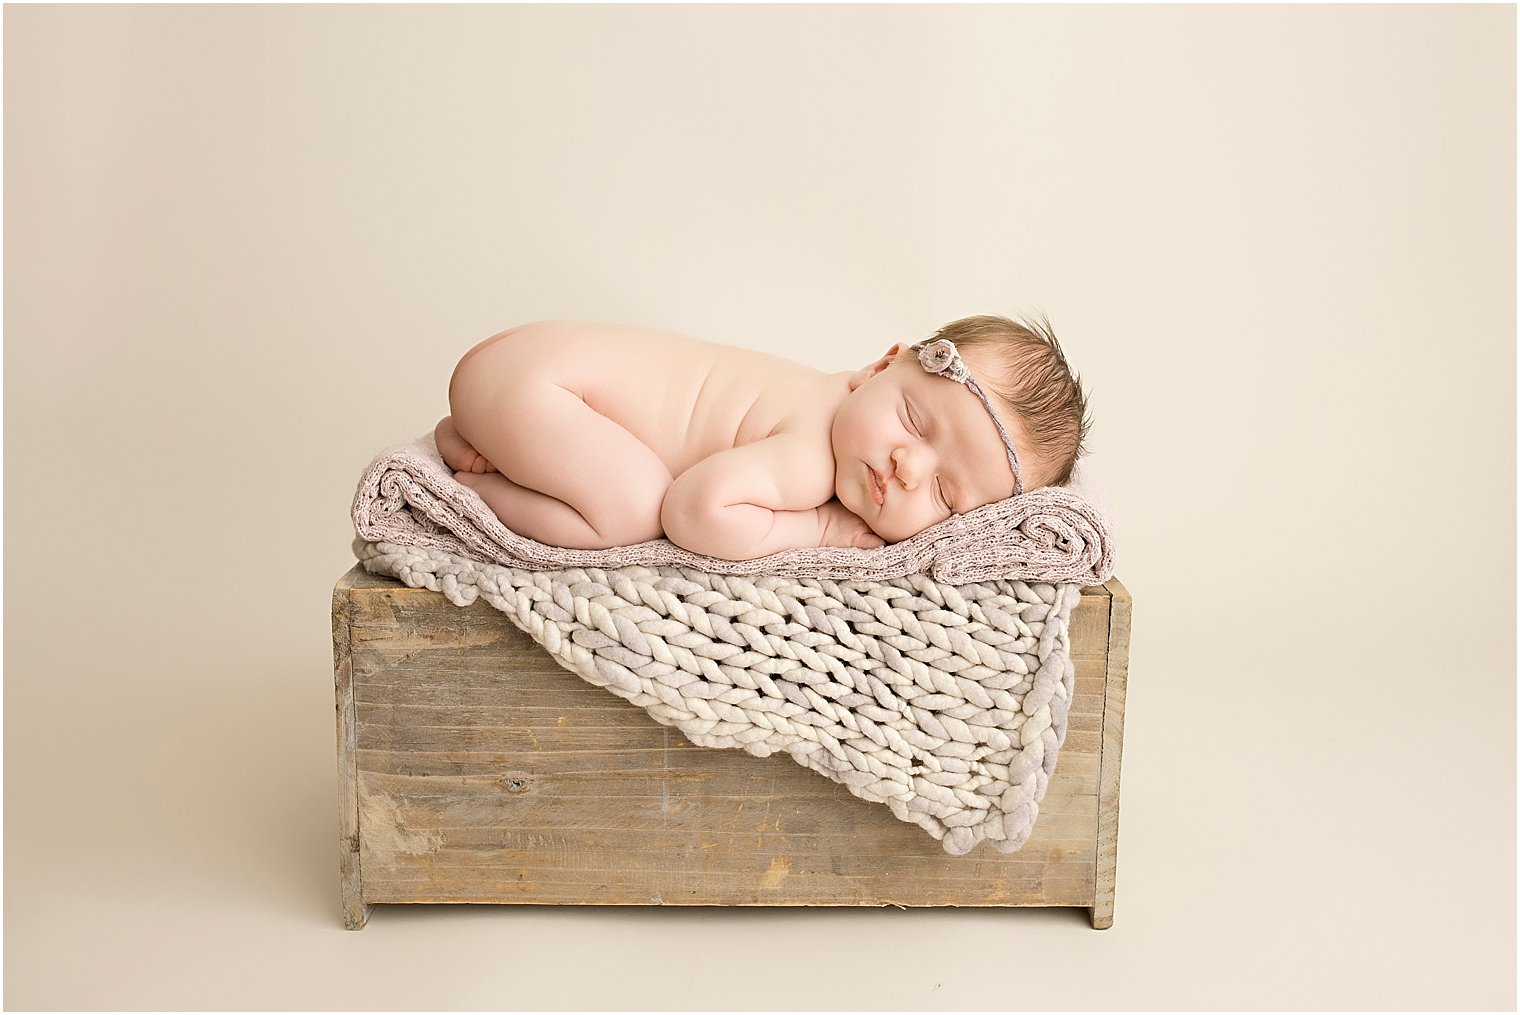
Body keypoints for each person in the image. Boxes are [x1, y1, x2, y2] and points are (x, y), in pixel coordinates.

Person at [436, 315, 1090, 558]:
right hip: (538, 388)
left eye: (946, 495)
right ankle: (478, 488)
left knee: (623, 478)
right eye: (915, 422)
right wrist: (822, 531)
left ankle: (488, 438)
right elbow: (694, 511)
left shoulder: (831, 396)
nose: (908, 469)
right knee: (636, 507)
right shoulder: (809, 455)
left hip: (522, 369)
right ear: (880, 366)